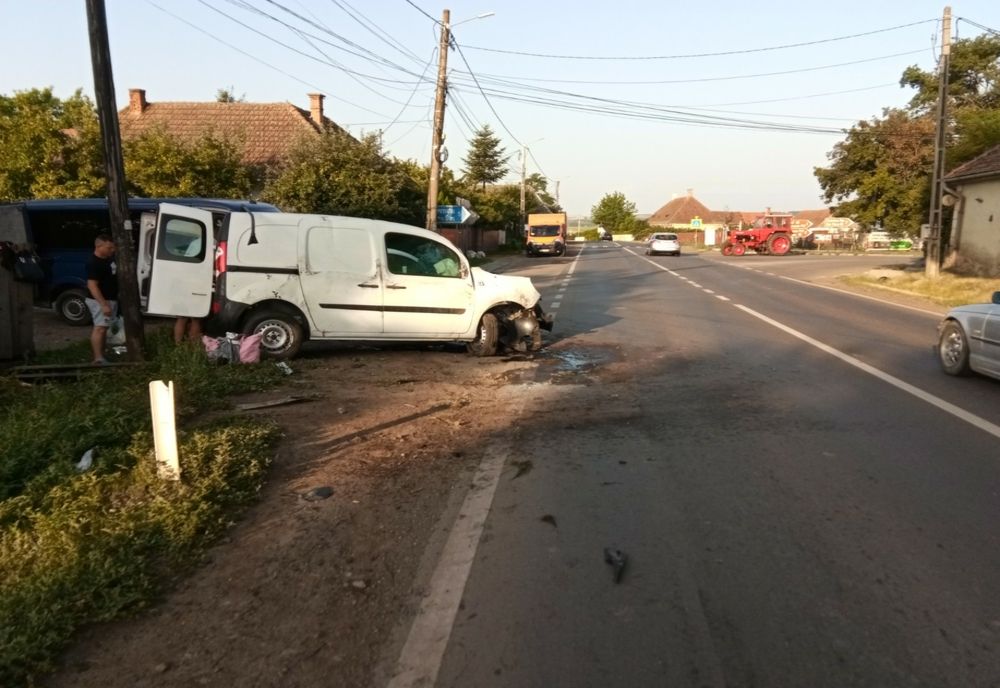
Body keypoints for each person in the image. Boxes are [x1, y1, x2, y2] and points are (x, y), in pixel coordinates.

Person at [85, 234, 118, 364]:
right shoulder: (94, 263)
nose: (112, 250)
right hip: (100, 300)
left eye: (113, 248)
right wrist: (103, 304)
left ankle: (102, 354)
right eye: (109, 248)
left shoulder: (108, 259)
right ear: (99, 246)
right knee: (100, 328)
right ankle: (98, 358)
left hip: (110, 298)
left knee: (104, 327)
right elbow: (92, 285)